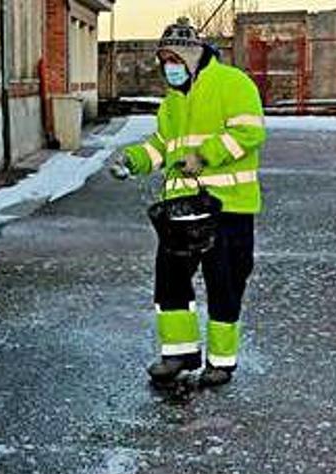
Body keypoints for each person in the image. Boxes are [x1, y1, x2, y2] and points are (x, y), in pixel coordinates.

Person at [111, 17, 266, 387]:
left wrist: (205, 155)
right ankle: (178, 354)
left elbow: (250, 131)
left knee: (224, 284)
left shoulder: (232, 84)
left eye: (175, 60)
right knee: (170, 282)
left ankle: (221, 362)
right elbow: (162, 147)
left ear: (194, 56)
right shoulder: (171, 104)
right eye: (164, 61)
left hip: (228, 207)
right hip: (182, 208)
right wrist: (133, 160)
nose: (169, 68)